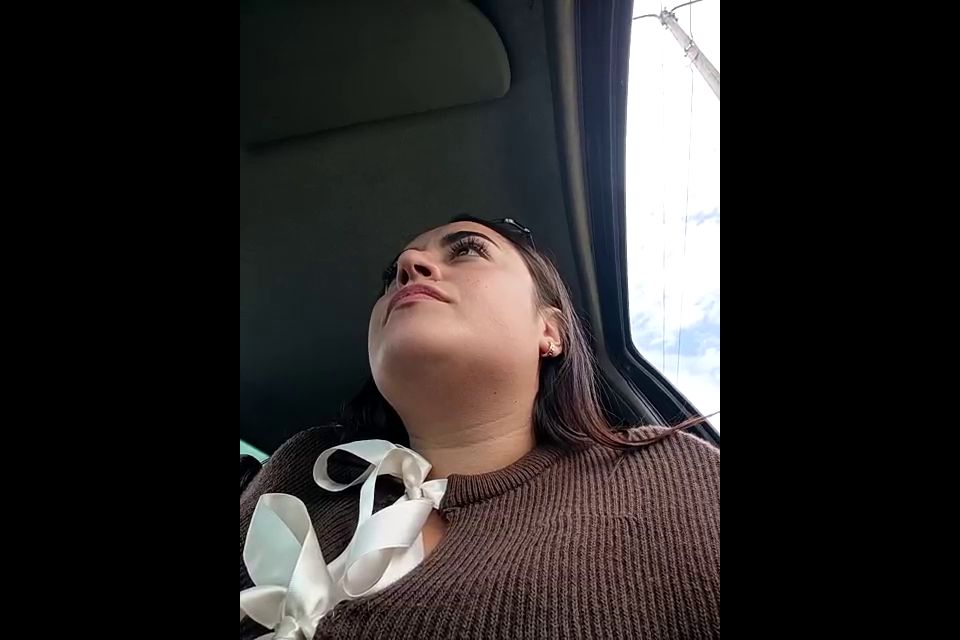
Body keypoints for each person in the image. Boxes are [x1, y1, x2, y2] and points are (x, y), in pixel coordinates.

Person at [240, 215, 720, 639]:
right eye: (390, 277)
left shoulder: (674, 478)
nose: (407, 264)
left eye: (468, 250)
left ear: (550, 331)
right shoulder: (304, 466)